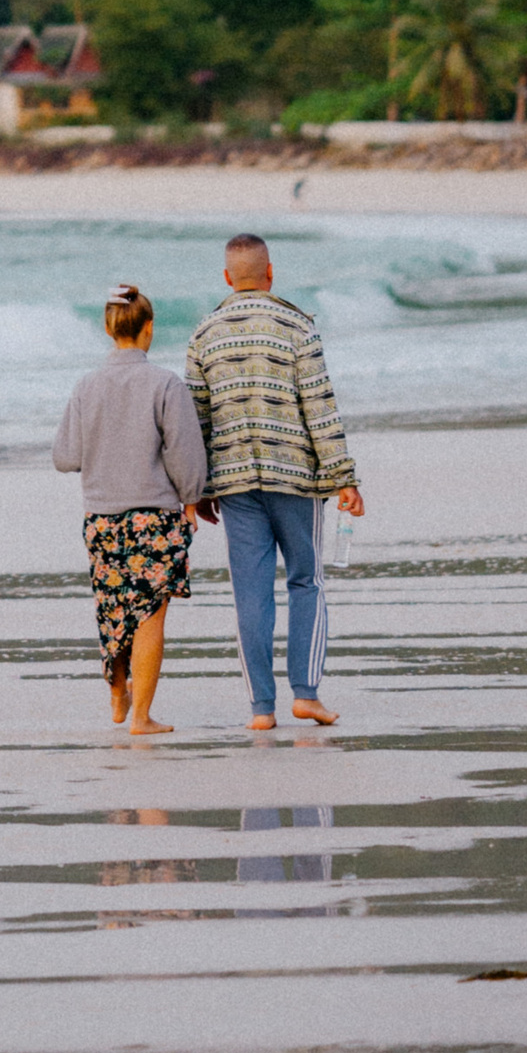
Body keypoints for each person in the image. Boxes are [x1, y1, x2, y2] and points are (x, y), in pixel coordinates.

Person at [186, 232, 363, 730]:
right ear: (270, 272)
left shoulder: (204, 333)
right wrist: (343, 478)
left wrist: (199, 488)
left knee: (251, 593)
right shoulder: (298, 326)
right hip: (297, 478)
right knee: (306, 580)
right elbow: (319, 406)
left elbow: (195, 419)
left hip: (235, 482)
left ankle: (261, 708)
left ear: (227, 277)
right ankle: (305, 694)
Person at [53, 282, 207, 731]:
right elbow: (184, 455)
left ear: (107, 328)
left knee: (113, 608)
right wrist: (192, 500)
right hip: (154, 516)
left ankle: (119, 694)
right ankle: (141, 715)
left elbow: (65, 456)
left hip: (101, 516)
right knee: (150, 615)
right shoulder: (164, 383)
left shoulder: (86, 386)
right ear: (149, 329)